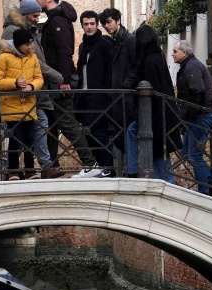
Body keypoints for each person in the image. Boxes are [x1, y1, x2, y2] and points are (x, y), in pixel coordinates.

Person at [37, 0, 102, 177]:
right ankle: (51, 166)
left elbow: (65, 52)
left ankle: (91, 164)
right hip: (53, 82)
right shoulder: (54, 18)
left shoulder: (58, 20)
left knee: (67, 123)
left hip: (59, 83)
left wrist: (63, 80)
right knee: (51, 125)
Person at [0, 0, 64, 179]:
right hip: (19, 97)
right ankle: (21, 169)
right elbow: (1, 75)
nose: (38, 19)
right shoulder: (13, 32)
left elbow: (36, 68)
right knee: (18, 134)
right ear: (25, 15)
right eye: (35, 16)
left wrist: (35, 84)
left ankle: (37, 167)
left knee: (34, 129)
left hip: (33, 92)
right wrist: (55, 76)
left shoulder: (27, 32)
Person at [124, 25, 180, 181]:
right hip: (160, 111)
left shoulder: (149, 59)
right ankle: (167, 182)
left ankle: (135, 171)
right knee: (159, 150)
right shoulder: (157, 55)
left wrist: (143, 113)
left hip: (155, 113)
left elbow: (151, 89)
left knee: (156, 149)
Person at [0, 28, 44, 181]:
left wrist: (32, 86)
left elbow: (39, 78)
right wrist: (14, 83)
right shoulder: (4, 58)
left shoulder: (32, 58)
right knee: (14, 138)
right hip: (11, 106)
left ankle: (30, 170)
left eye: (31, 44)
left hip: (28, 104)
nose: (30, 47)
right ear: (19, 45)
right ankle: (13, 171)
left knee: (29, 138)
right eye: (27, 44)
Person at [172, 40, 212, 195]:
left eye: (175, 51)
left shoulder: (191, 66)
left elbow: (198, 91)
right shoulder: (189, 66)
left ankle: (205, 191)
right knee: (186, 152)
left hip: (201, 115)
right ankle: (211, 180)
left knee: (194, 155)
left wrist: (188, 115)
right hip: (198, 115)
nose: (172, 54)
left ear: (184, 53)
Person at [76, 10, 114, 177]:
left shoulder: (105, 44)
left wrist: (106, 94)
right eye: (86, 24)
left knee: (100, 134)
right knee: (87, 132)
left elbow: (110, 71)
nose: (89, 27)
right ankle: (100, 166)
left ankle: (109, 168)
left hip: (99, 97)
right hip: (84, 97)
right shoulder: (82, 46)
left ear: (97, 24)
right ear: (82, 26)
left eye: (92, 23)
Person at [99, 8, 135, 157]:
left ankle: (132, 170)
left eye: (109, 22)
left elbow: (137, 66)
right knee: (120, 137)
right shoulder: (114, 41)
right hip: (117, 97)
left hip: (127, 97)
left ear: (118, 21)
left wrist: (126, 84)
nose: (107, 26)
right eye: (104, 24)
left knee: (127, 135)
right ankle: (127, 169)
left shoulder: (129, 40)